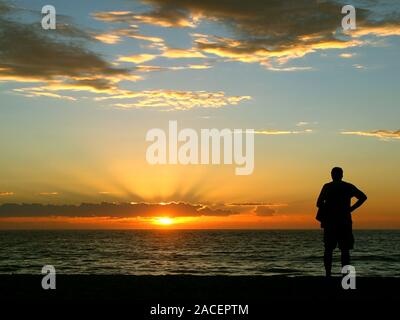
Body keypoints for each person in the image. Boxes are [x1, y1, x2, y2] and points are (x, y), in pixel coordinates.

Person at [316, 167, 367, 277]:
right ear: (342, 175)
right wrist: (350, 209)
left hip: (330, 222)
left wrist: (328, 208)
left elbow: (319, 203)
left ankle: (328, 275)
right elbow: (363, 197)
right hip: (344, 221)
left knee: (328, 249)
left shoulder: (327, 187)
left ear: (332, 175)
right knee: (345, 250)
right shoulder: (348, 186)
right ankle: (345, 276)